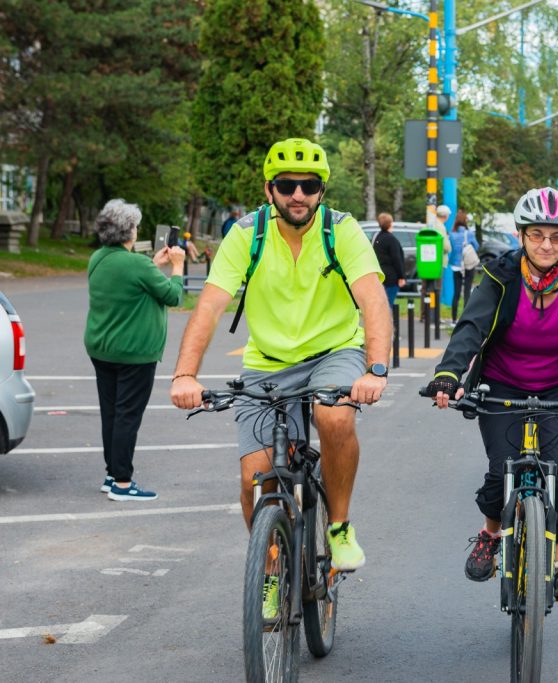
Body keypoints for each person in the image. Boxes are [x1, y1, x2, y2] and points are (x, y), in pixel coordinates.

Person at [170, 138, 391, 575]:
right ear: (268, 188)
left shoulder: (341, 230)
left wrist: (377, 369)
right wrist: (184, 375)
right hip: (269, 361)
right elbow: (210, 306)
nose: (298, 195)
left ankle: (340, 526)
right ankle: (271, 569)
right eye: (287, 184)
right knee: (256, 481)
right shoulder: (246, 234)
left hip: (334, 351)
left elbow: (374, 302)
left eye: (309, 185)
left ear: (322, 190)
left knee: (335, 417)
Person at [424, 186, 558, 600]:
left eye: (557, 236)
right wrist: (448, 375)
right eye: (537, 235)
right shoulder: (500, 275)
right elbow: (470, 328)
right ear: (522, 235)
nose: (547, 245)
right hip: (501, 383)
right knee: (499, 468)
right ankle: (491, 534)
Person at [85, 199, 186, 501]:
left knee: (111, 413)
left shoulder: (98, 259)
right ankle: (123, 483)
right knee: (127, 415)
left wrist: (153, 265)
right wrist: (178, 266)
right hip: (134, 353)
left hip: (102, 348)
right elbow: (173, 296)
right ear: (128, 231)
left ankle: (111, 473)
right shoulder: (136, 264)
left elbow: (129, 283)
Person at [448, 209, 480, 323]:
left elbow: (450, 250)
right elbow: (476, 247)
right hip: (468, 265)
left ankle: (453, 320)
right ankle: (465, 320)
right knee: (467, 291)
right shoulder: (469, 233)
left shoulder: (452, 234)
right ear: (465, 221)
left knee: (456, 293)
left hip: (456, 266)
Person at [372, 212, 406, 307]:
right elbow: (397, 259)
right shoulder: (392, 239)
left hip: (380, 274)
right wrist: (401, 276)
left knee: (380, 302)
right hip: (391, 276)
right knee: (388, 304)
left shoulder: (377, 237)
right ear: (390, 224)